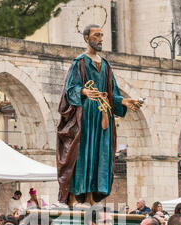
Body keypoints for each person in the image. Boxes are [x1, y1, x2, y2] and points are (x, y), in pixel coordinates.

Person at [56, 24, 142, 206]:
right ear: (87, 38)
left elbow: (112, 92)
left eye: (102, 35)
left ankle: (91, 198)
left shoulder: (106, 65)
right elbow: (70, 89)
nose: (100, 39)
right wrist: (84, 92)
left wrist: (123, 101)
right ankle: (73, 198)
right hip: (84, 118)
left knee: (98, 156)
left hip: (103, 116)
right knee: (80, 155)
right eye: (96, 35)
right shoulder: (79, 62)